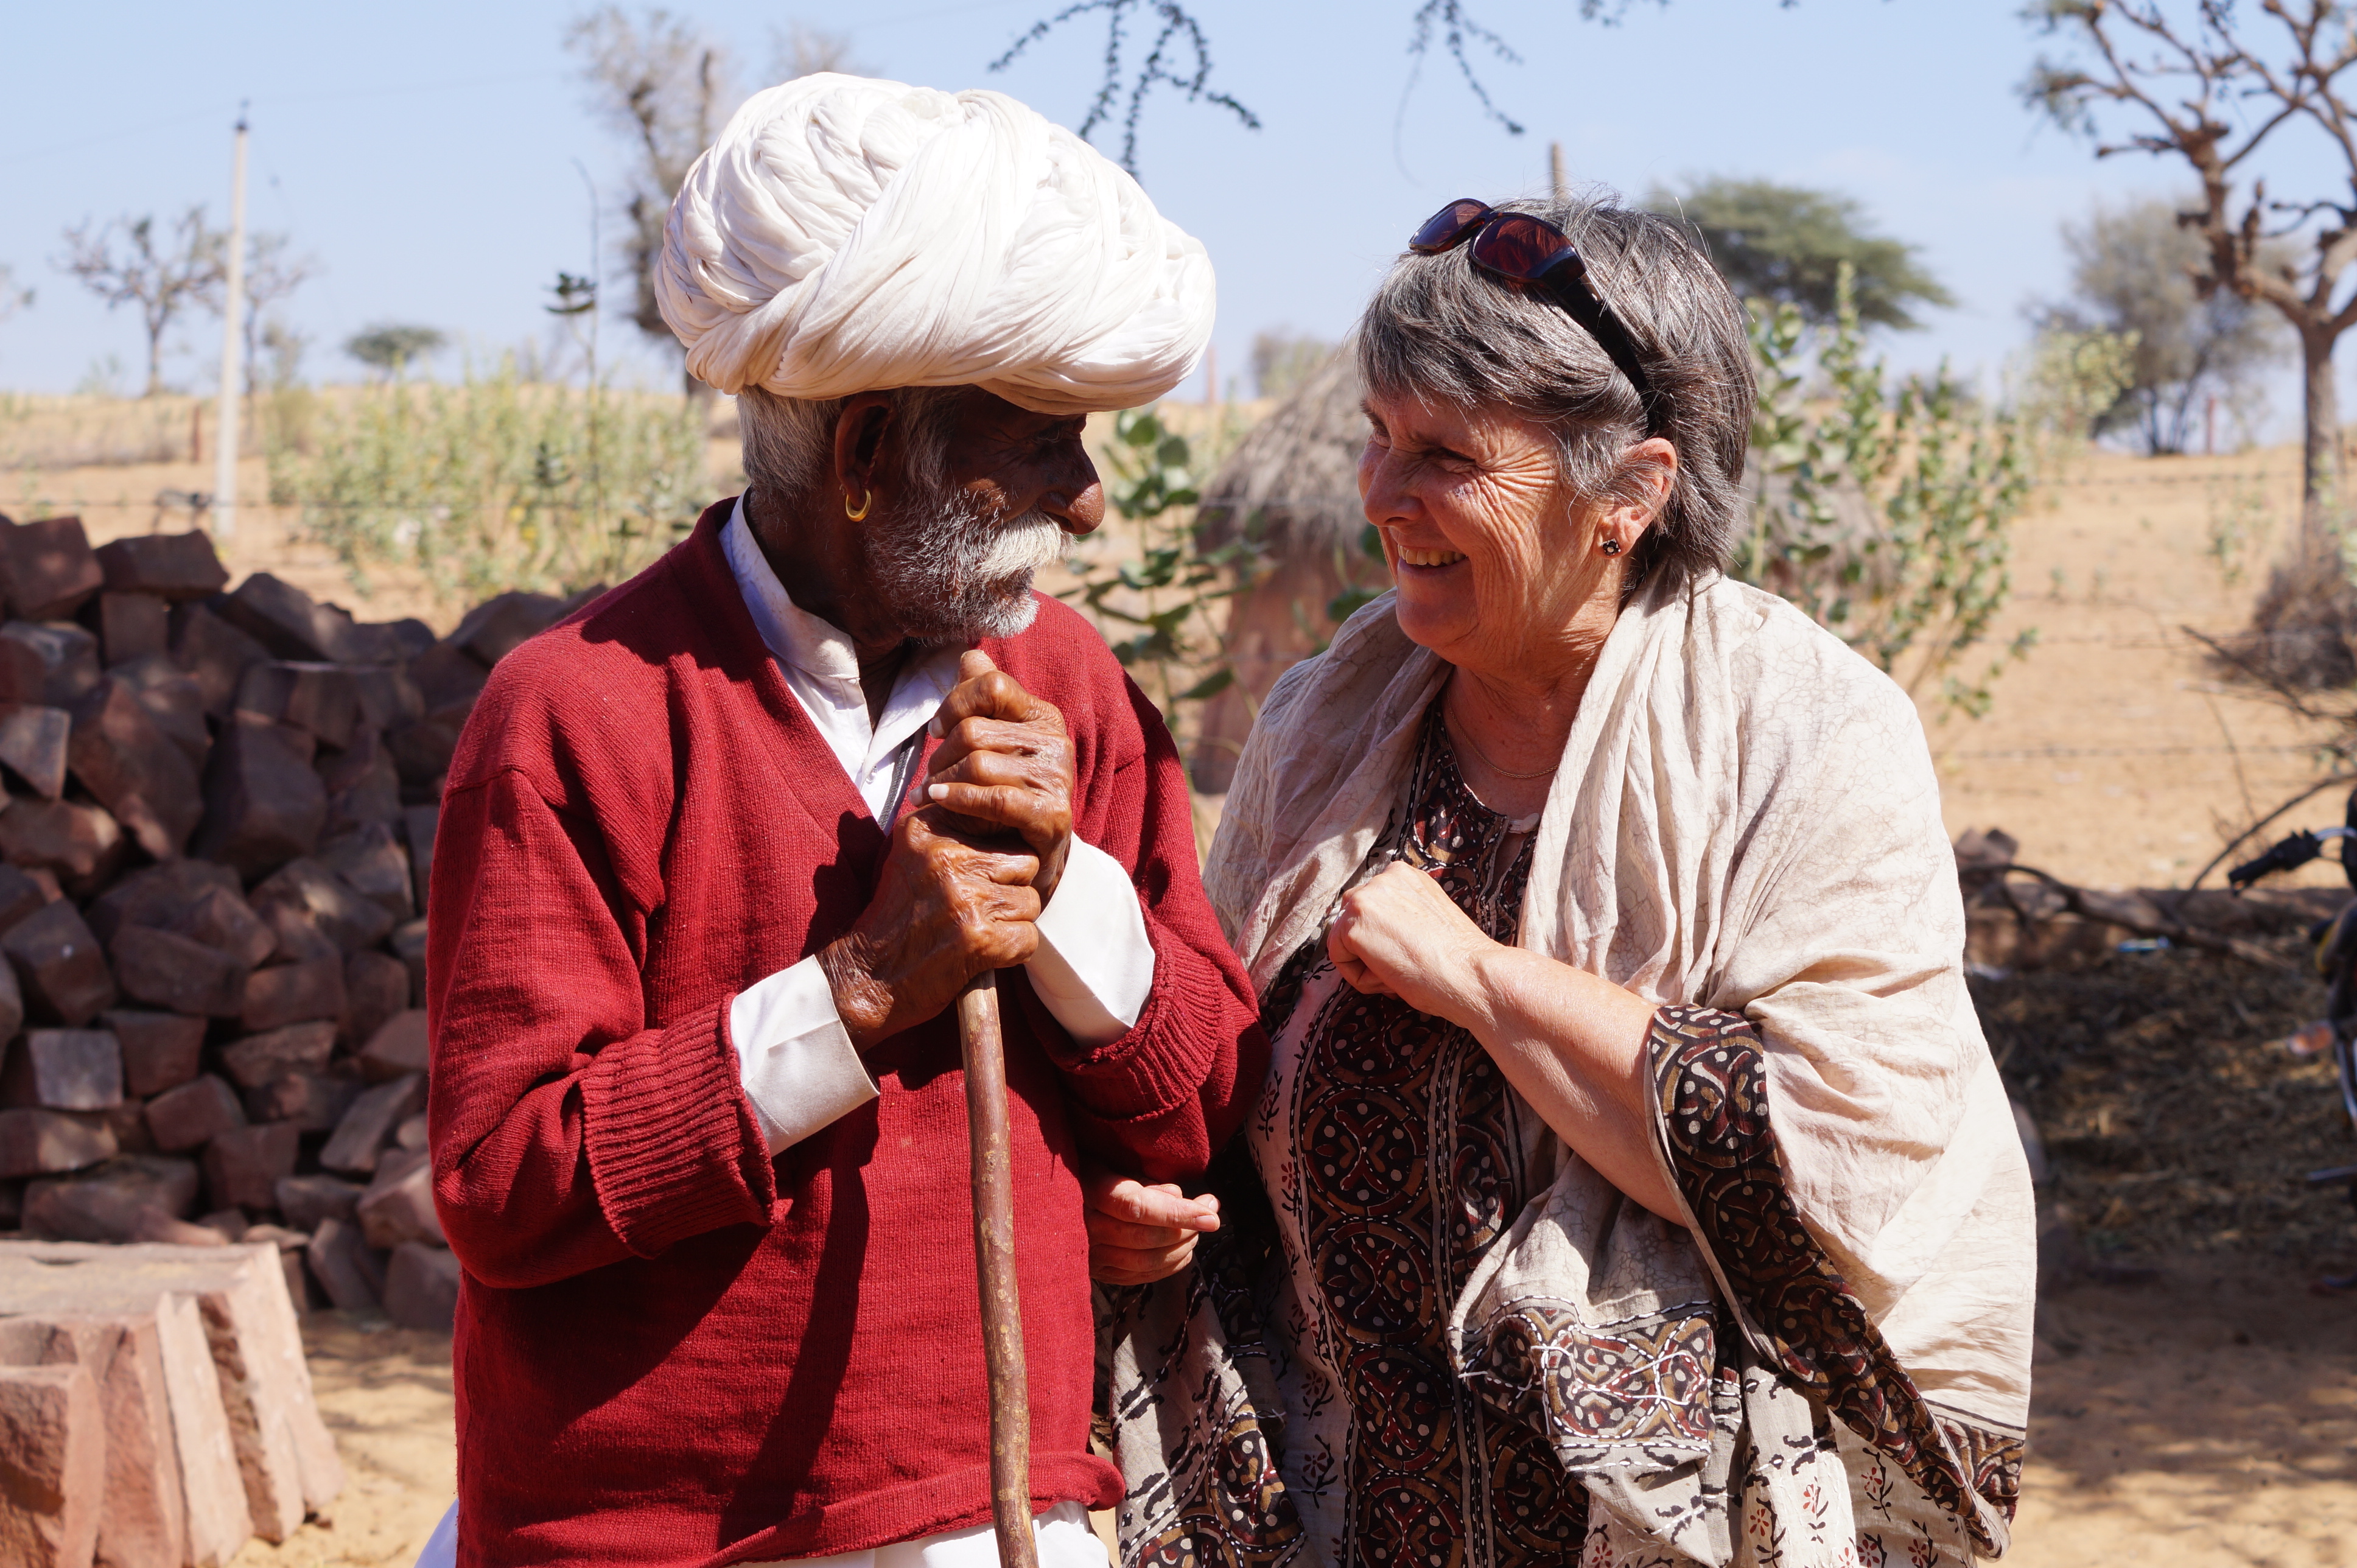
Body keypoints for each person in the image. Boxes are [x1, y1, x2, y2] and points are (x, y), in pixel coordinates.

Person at [1093, 194, 2033, 1568]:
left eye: (1445, 455)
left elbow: (1829, 1172)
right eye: (1377, 437)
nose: (1381, 494)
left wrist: (1474, 976)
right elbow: (1220, 1059)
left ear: (1630, 494)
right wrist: (1146, 1201)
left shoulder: (1805, 732)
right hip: (1343, 1512)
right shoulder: (1325, 722)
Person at [422, 74, 1262, 1566]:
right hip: (643, 1538)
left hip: (994, 1516)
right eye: (1050, 440)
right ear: (870, 454)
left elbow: (1198, 1105)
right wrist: (865, 989)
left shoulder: (1063, 688)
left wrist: (1063, 891)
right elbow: (506, 1183)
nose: (1085, 504)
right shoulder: (579, 713)